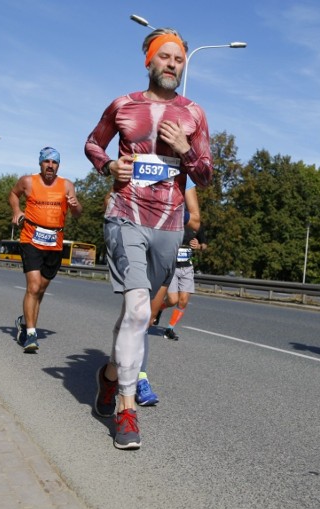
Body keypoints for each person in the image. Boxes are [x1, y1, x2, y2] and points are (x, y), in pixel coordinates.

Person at [85, 26, 212, 449]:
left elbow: (207, 175)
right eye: (165, 57)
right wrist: (107, 168)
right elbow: (93, 144)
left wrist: (187, 149)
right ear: (149, 60)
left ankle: (107, 377)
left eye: (179, 59)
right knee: (138, 312)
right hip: (125, 216)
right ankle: (126, 410)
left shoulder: (194, 113)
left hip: (169, 227)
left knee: (139, 317)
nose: (172, 65)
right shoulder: (123, 106)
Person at [8, 147, 82, 353]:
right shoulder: (28, 181)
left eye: (54, 162)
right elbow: (13, 195)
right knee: (33, 286)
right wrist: (17, 210)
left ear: (58, 165)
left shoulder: (67, 185)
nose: (50, 165)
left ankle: (25, 320)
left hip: (54, 242)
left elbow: (77, 214)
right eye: (47, 161)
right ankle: (31, 334)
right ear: (40, 163)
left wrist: (75, 205)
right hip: (31, 239)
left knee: (40, 288)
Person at [155, 217, 207, 341]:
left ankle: (169, 329)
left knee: (183, 301)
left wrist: (199, 246)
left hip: (187, 268)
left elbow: (205, 245)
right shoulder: (171, 222)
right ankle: (158, 308)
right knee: (172, 300)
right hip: (171, 267)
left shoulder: (197, 226)